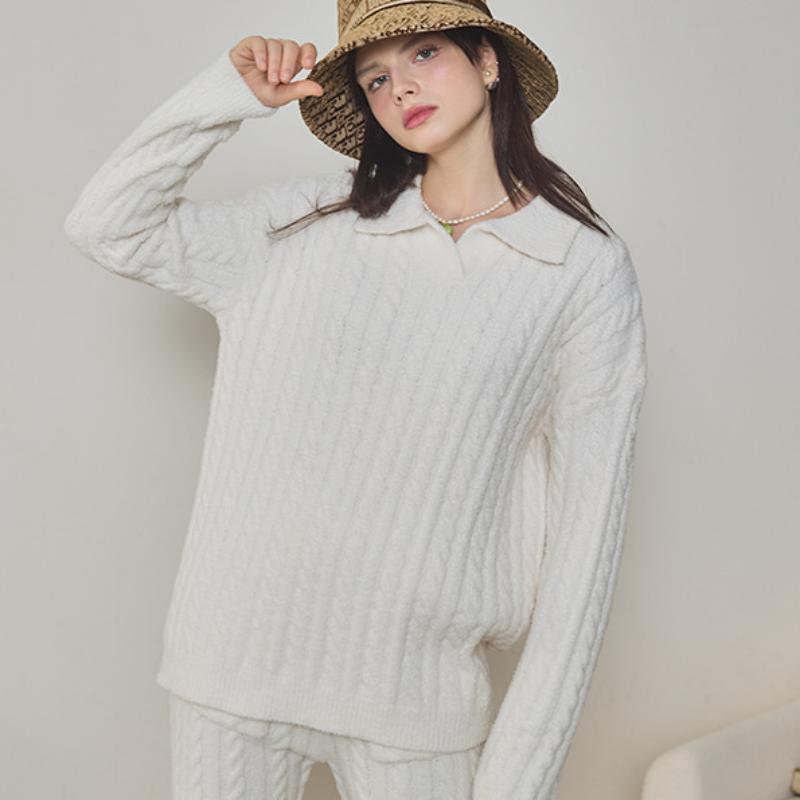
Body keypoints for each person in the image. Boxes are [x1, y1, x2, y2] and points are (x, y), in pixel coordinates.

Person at [63, 1, 649, 798]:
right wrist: (223, 97)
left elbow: (586, 548)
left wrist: (520, 778)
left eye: (425, 54)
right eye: (375, 77)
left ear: (487, 60)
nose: (399, 87)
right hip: (233, 672)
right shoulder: (300, 223)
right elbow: (106, 225)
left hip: (418, 701)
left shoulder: (578, 266)